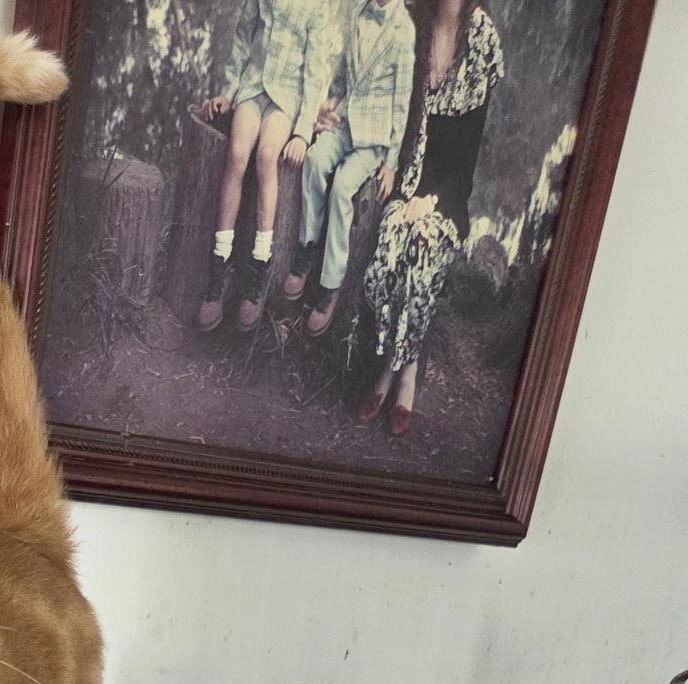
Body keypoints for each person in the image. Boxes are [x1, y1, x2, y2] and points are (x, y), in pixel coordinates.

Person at [360, 0, 505, 436]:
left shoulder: (481, 37)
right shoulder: (410, 19)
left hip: (449, 193)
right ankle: (405, 358)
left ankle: (396, 372)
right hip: (408, 176)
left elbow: (467, 158)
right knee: (392, 235)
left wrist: (435, 199)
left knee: (423, 241)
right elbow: (378, 96)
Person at [197, 0, 341, 333]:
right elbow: (242, 39)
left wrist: (303, 133)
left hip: (285, 100)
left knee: (267, 156)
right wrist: (227, 94)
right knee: (236, 155)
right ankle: (220, 267)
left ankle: (259, 267)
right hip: (252, 89)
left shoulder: (318, 8)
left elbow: (316, 72)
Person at [283, 0, 416, 337]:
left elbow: (401, 104)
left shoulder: (403, 30)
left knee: (343, 186)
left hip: (373, 139)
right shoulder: (358, 9)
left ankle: (330, 283)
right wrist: (328, 105)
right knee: (314, 160)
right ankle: (307, 247)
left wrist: (391, 162)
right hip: (344, 123)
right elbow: (343, 73)